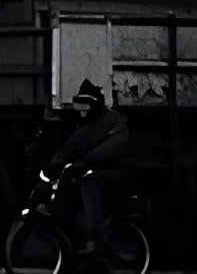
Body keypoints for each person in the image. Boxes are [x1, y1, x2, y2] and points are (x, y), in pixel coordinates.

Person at [43, 80, 131, 243]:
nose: (82, 113)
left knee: (87, 181)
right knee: (76, 177)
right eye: (80, 108)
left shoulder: (105, 120)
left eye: (85, 108)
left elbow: (81, 143)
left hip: (119, 169)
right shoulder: (94, 120)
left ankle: (94, 235)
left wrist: (58, 165)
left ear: (94, 105)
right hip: (109, 166)